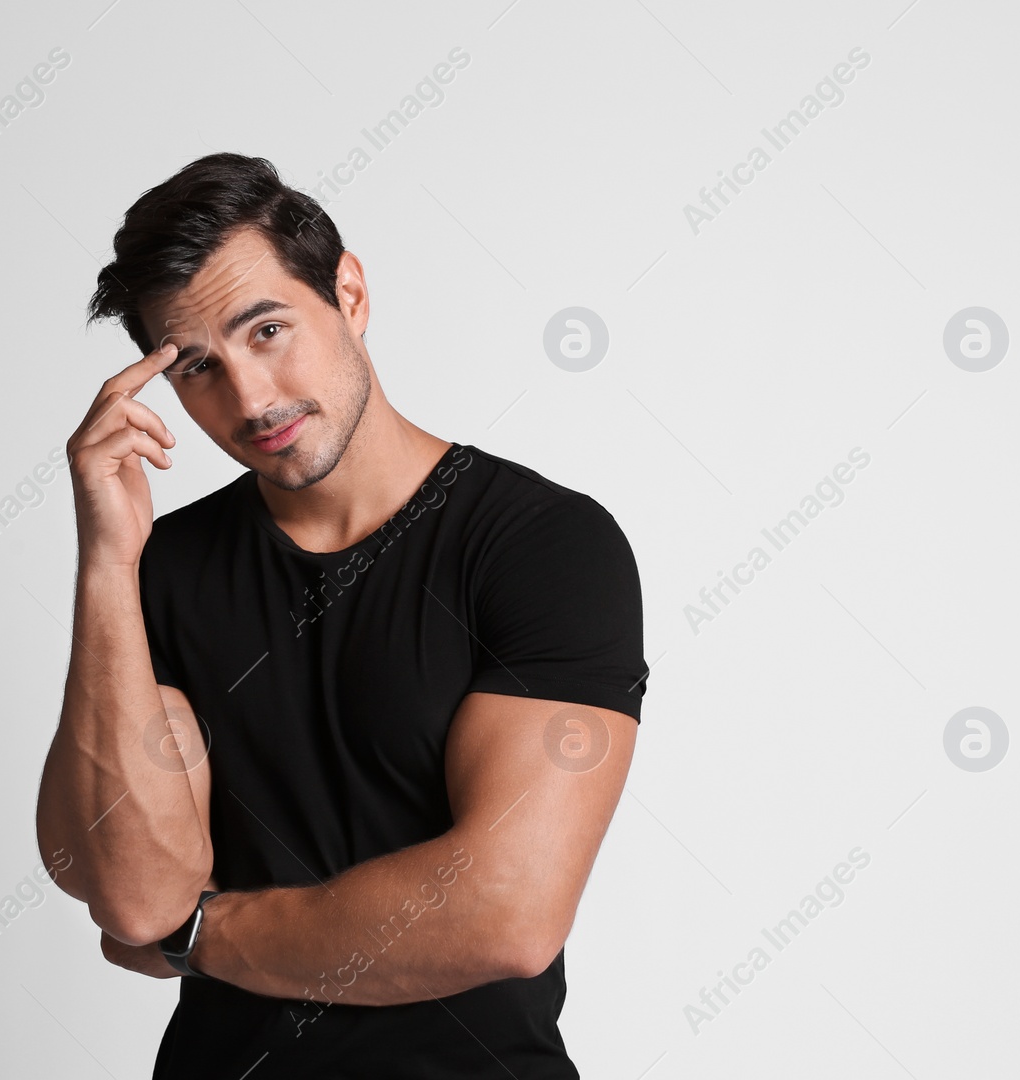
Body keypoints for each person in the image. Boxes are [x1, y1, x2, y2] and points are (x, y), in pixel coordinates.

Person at [35, 152, 648, 1078]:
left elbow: (505, 911)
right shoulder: (160, 574)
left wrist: (200, 933)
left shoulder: (543, 546)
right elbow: (131, 897)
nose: (249, 398)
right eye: (197, 367)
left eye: (268, 329)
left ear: (349, 294)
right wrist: (106, 565)